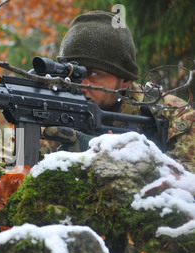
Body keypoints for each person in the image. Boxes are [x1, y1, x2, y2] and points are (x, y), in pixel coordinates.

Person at [41, 10, 195, 173]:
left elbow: (186, 186)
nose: (81, 84)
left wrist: (97, 154)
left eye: (93, 74)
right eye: (72, 73)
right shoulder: (48, 112)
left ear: (125, 79)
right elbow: (16, 181)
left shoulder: (174, 116)